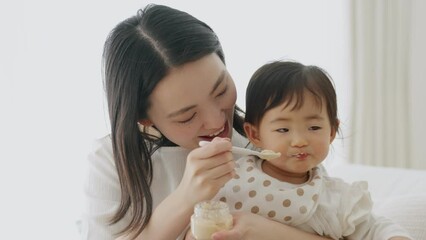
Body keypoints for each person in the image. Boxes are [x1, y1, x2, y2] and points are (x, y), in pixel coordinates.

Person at [80, 4, 339, 240]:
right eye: (187, 116)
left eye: (221, 90)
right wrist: (185, 198)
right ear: (144, 117)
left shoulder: (263, 139)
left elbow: (337, 223)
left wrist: (260, 230)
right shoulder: (113, 161)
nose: (217, 122)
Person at [211, 60, 412, 240]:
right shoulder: (230, 178)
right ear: (255, 134)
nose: (299, 141)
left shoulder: (336, 198)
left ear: (332, 131)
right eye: (283, 129)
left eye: (314, 128)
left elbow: (374, 228)